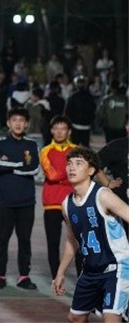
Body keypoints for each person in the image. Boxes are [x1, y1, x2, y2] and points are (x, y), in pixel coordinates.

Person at [53, 146, 129, 322]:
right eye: (69, 163)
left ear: (91, 170)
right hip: (90, 270)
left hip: (116, 267)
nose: (72, 167)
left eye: (79, 163)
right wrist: (60, 272)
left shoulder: (103, 195)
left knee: (111, 318)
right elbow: (71, 240)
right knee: (76, 318)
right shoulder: (67, 204)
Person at [0, 108, 40, 290]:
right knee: (1, 240)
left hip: (26, 201)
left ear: (26, 124)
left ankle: (24, 276)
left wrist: (11, 165)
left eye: (21, 120)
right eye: (14, 120)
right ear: (8, 123)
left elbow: (34, 168)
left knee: (24, 240)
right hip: (4, 201)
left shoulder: (32, 144)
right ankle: (0, 276)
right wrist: (20, 164)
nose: (18, 123)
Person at [40, 115, 82, 279]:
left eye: (63, 128)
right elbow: (51, 175)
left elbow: (80, 175)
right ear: (51, 131)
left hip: (74, 203)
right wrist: (69, 172)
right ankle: (56, 278)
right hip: (52, 203)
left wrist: (63, 175)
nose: (59, 132)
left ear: (69, 131)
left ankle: (81, 278)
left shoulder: (77, 151)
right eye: (56, 128)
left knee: (79, 242)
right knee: (53, 244)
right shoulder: (45, 151)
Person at [97, 116, 129, 205]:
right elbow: (95, 162)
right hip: (122, 201)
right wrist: (107, 183)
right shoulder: (116, 145)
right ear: (127, 127)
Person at [64, 76, 96, 147]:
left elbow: (67, 111)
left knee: (74, 147)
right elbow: (94, 110)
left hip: (75, 125)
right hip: (86, 126)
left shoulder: (73, 96)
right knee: (85, 147)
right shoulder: (90, 97)